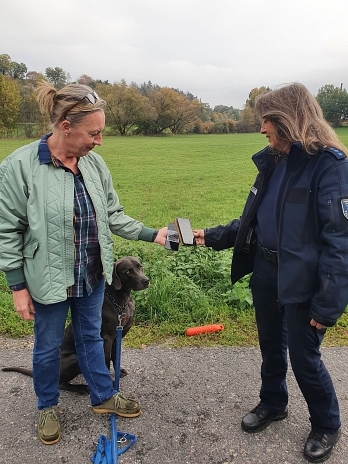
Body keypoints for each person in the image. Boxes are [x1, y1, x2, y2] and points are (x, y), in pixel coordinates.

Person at [0, 81, 168, 445]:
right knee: (47, 347)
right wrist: (17, 285)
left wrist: (152, 233)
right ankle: (47, 406)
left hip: (93, 275)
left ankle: (103, 397)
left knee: (92, 337)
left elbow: (113, 214)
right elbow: (7, 230)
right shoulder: (19, 167)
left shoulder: (94, 165)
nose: (99, 140)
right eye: (94, 132)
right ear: (65, 127)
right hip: (47, 278)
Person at [193, 83, 348, 463]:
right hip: (265, 271)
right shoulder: (273, 162)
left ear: (286, 120)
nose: (262, 129)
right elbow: (254, 221)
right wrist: (208, 236)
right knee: (270, 347)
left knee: (304, 357)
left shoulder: (329, 166)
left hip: (303, 281)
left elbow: (340, 242)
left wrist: (327, 305)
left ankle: (327, 423)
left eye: (266, 121)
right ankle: (273, 402)